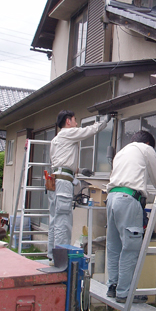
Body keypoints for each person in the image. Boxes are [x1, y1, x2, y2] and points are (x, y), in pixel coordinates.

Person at [105, 130, 156, 303]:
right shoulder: (145, 149)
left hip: (112, 198)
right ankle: (124, 293)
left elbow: (132, 184)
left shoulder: (122, 152)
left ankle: (113, 286)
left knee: (114, 245)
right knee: (131, 248)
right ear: (148, 143)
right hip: (128, 201)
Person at [48, 110, 108, 265]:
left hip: (55, 181)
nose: (76, 123)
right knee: (63, 220)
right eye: (75, 120)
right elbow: (89, 131)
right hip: (62, 183)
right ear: (68, 121)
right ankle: (61, 259)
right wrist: (104, 121)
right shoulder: (69, 133)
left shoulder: (56, 139)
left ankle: (52, 256)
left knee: (55, 220)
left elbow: (62, 163)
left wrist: (80, 171)